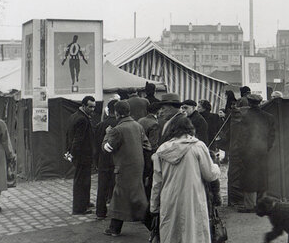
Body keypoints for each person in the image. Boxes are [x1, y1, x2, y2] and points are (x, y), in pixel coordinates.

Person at [150, 114, 221, 243]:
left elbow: (157, 182)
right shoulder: (198, 146)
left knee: (171, 234)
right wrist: (216, 167)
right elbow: (210, 175)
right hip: (193, 198)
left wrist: (154, 207)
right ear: (190, 129)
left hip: (169, 199)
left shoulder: (162, 150)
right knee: (194, 233)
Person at [102, 101, 151, 236]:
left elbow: (107, 148)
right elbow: (147, 146)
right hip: (137, 168)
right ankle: (114, 228)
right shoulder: (138, 126)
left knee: (125, 198)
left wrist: (107, 134)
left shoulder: (117, 130)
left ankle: (154, 226)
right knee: (129, 196)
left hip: (123, 168)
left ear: (116, 113)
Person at [236, 94, 275, 213]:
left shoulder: (244, 117)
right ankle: (262, 204)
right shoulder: (268, 117)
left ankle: (250, 205)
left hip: (249, 151)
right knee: (262, 176)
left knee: (249, 177)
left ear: (249, 103)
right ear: (260, 102)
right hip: (262, 150)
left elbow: (242, 137)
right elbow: (272, 136)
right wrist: (266, 147)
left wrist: (241, 152)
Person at [66, 95, 96, 215]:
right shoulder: (82, 119)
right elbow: (77, 140)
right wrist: (73, 155)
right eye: (90, 107)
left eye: (94, 107)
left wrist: (68, 152)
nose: (92, 109)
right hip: (82, 156)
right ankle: (79, 208)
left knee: (85, 180)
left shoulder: (74, 116)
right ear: (83, 106)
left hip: (80, 155)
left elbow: (68, 135)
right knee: (81, 181)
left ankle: (85, 202)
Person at [94, 99, 119, 220]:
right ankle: (116, 213)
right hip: (116, 160)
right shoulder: (119, 124)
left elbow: (96, 144)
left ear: (108, 110)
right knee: (116, 187)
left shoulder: (100, 125)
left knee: (102, 187)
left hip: (103, 159)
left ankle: (100, 212)